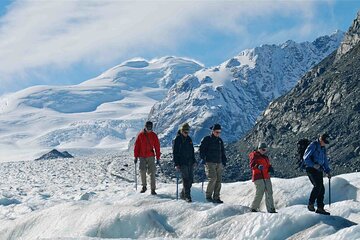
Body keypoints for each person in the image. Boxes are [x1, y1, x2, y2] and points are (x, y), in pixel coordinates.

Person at [303, 133, 332, 215]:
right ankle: (310, 204)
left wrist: (327, 171)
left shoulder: (323, 148)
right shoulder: (313, 145)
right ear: (321, 139)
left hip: (319, 169)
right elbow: (306, 158)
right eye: (324, 142)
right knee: (318, 185)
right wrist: (313, 165)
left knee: (321, 188)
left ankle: (320, 208)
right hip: (311, 169)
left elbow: (324, 160)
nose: (325, 144)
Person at [199, 124, 227, 203]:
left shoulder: (219, 141)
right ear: (213, 131)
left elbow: (222, 152)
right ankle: (208, 196)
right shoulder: (207, 139)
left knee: (218, 180)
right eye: (217, 132)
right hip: (209, 162)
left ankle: (216, 197)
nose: (218, 133)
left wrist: (224, 160)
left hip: (218, 162)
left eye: (219, 132)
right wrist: (203, 158)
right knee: (213, 178)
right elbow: (201, 150)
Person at [134, 121, 161, 195]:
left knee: (152, 172)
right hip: (142, 156)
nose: (149, 129)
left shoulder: (154, 135)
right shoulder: (140, 135)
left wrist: (158, 157)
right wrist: (136, 156)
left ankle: (153, 189)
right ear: (145, 127)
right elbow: (137, 146)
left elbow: (157, 147)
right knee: (142, 171)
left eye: (150, 127)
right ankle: (144, 186)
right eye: (148, 127)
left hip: (151, 156)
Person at [249, 142, 276, 213]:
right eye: (263, 149)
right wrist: (257, 166)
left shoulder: (265, 157)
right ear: (259, 149)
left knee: (269, 192)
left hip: (266, 176)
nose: (264, 151)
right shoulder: (254, 155)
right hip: (258, 176)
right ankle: (253, 208)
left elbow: (268, 165)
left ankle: (271, 210)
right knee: (260, 192)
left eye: (265, 149)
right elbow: (252, 165)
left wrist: (270, 168)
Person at [173, 123, 197, 202]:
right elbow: (175, 152)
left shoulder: (189, 139)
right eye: (185, 132)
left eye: (188, 132)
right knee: (186, 179)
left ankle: (183, 194)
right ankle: (187, 196)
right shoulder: (178, 139)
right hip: (182, 162)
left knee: (190, 180)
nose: (187, 133)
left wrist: (194, 160)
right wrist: (176, 163)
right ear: (182, 131)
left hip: (190, 162)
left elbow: (192, 151)